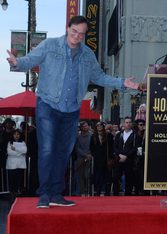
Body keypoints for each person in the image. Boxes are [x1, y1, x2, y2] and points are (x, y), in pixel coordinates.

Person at [6, 16, 141, 208]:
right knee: (47, 148)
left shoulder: (87, 55)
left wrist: (121, 83)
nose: (76, 37)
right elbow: (31, 59)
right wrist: (16, 62)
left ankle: (56, 194)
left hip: (71, 110)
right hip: (48, 104)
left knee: (64, 151)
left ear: (85, 35)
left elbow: (99, 76)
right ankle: (44, 194)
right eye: (74, 32)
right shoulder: (50, 45)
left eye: (81, 34)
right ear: (67, 28)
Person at [113, 116, 138, 196]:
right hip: (119, 159)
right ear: (124, 124)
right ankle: (115, 194)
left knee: (129, 178)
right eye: (126, 122)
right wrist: (119, 155)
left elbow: (135, 148)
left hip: (129, 160)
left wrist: (126, 156)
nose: (128, 124)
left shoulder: (135, 135)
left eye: (130, 122)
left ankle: (128, 194)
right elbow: (115, 147)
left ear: (132, 124)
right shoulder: (119, 134)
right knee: (116, 177)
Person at [6, 129, 27, 203]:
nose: (16, 135)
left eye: (18, 134)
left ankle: (16, 196)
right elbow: (9, 152)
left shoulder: (23, 142)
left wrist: (15, 149)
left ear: (20, 135)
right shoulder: (9, 142)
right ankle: (12, 195)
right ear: (12, 135)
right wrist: (20, 152)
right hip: (11, 165)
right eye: (15, 134)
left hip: (20, 165)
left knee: (18, 181)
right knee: (11, 181)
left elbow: (25, 151)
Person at [75, 121, 92, 196]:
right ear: (81, 128)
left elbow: (93, 147)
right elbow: (77, 148)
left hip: (89, 158)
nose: (85, 127)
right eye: (84, 126)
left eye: (86, 126)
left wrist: (89, 155)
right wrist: (85, 155)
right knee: (80, 176)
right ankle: (82, 192)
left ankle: (88, 191)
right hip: (80, 158)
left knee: (87, 175)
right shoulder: (78, 137)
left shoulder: (91, 136)